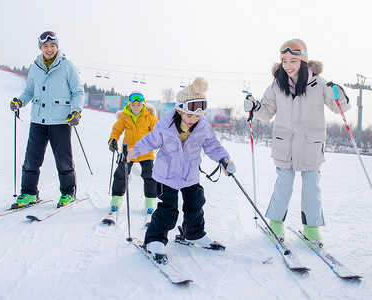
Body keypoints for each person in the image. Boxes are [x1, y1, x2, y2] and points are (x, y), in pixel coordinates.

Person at [244, 39, 351, 248]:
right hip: (285, 144)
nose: (288, 65)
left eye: (293, 60)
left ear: (304, 61)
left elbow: (339, 108)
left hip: (311, 144)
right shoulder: (277, 85)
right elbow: (266, 112)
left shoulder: (319, 84)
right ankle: (275, 224)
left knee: (312, 186)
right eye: (284, 60)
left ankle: (311, 228)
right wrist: (254, 107)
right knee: (284, 184)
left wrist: (338, 93)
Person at [127, 77, 236, 264]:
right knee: (168, 209)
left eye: (197, 116)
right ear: (179, 110)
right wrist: (134, 151)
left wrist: (223, 160)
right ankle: (154, 239)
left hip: (189, 175)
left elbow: (213, 146)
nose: (193, 119)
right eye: (189, 115)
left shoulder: (203, 127)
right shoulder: (165, 125)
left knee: (195, 203)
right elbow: (150, 141)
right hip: (166, 174)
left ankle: (193, 233)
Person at [9, 31, 84, 209]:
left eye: (52, 46)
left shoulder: (67, 66)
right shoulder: (35, 67)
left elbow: (78, 92)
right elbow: (29, 91)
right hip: (38, 121)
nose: (49, 49)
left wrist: (76, 111)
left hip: (60, 121)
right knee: (31, 159)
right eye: (45, 46)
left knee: (63, 160)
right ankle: (28, 193)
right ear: (40, 48)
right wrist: (20, 101)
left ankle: (68, 193)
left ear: (57, 46)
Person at [107, 92, 158, 215]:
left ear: (143, 105)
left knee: (149, 175)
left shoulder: (150, 117)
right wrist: (113, 140)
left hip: (146, 151)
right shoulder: (124, 116)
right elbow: (117, 130)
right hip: (128, 150)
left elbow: (157, 132)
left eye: (138, 105)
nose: (135, 107)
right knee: (121, 173)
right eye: (133, 105)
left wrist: (159, 144)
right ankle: (116, 200)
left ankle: (151, 202)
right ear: (129, 105)